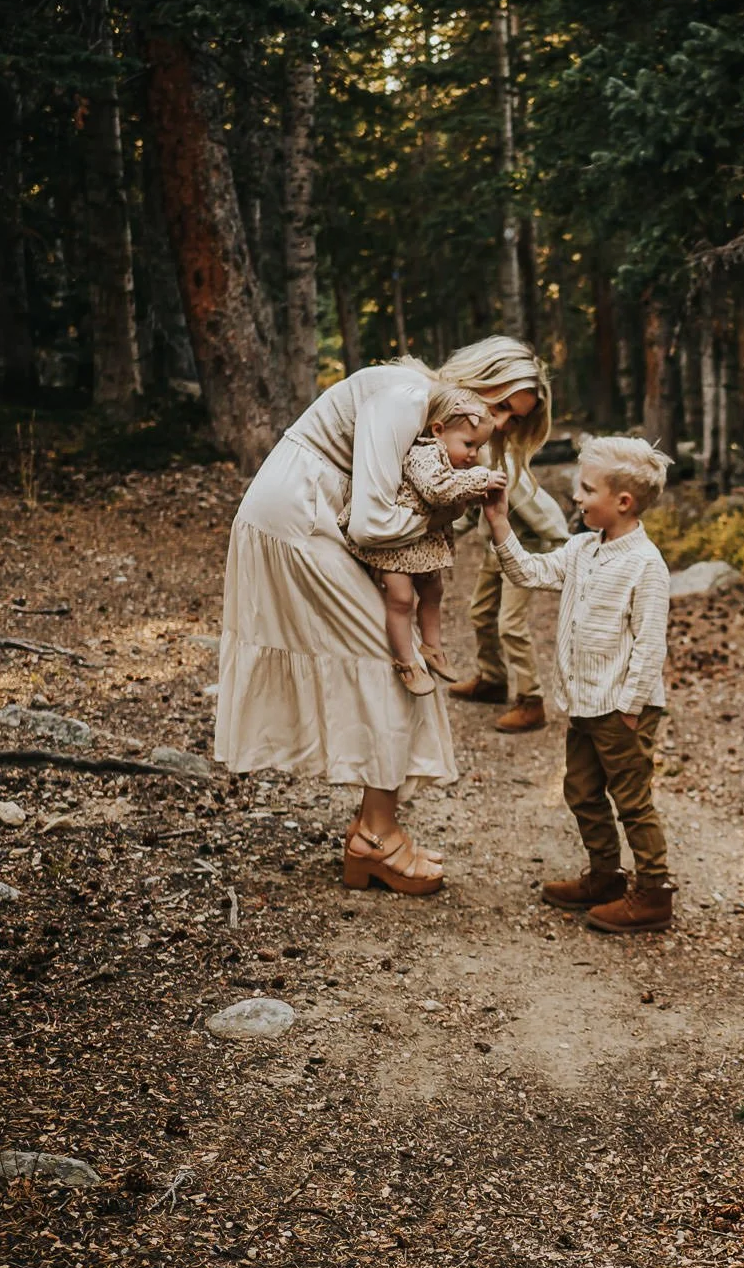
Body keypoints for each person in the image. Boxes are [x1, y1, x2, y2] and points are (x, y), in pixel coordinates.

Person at [214, 338, 550, 895]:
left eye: (509, 421)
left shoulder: (426, 417)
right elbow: (372, 524)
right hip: (298, 516)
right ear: (477, 377)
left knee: (390, 655)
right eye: (498, 406)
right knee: (390, 655)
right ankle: (376, 837)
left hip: (316, 515)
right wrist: (441, 520)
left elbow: (387, 511)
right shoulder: (406, 397)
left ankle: (377, 830)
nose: (496, 425)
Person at [477, 434, 676, 933]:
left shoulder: (646, 565)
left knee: (632, 801)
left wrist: (630, 710)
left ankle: (653, 894)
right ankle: (605, 876)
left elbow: (651, 646)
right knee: (582, 791)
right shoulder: (582, 549)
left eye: (587, 490)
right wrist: (500, 521)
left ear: (622, 502)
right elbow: (527, 572)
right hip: (584, 706)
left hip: (623, 711)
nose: (577, 498)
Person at [338, 397, 507, 696]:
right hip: (395, 542)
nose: (473, 455)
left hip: (419, 545)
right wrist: (479, 479)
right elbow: (436, 490)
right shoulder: (424, 453)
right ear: (438, 430)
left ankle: (432, 648)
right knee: (401, 599)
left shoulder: (449, 462)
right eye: (469, 444)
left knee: (433, 591)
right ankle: (406, 661)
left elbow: (452, 495)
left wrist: (473, 493)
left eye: (478, 449)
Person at [447, 470, 570, 733]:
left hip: (524, 549)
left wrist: (565, 545)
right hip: (495, 548)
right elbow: (471, 511)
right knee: (480, 612)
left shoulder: (507, 465)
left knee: (510, 624)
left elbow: (540, 510)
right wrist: (438, 530)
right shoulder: (479, 459)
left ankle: (532, 699)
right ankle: (493, 679)